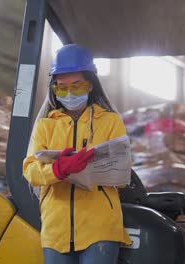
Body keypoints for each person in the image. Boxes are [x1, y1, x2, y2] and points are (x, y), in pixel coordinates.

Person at [23, 44, 131, 264]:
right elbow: (30, 170)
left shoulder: (110, 121)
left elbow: (121, 174)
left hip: (100, 228)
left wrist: (89, 171)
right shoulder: (45, 125)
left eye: (77, 86)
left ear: (90, 84)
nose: (69, 93)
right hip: (56, 229)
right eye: (61, 88)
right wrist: (58, 169)